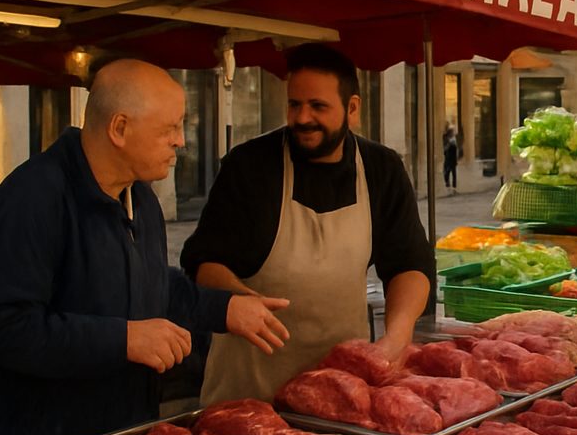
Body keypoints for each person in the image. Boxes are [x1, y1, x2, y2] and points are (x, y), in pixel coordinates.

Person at [0, 60, 291, 435]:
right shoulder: (31, 199)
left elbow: (152, 286)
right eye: (169, 128)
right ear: (119, 128)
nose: (181, 141)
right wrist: (124, 339)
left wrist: (227, 309)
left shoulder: (142, 199)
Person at [182, 44, 434, 404]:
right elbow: (203, 263)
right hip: (250, 395)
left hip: (340, 393)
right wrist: (245, 301)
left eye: (318, 106)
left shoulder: (381, 169)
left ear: (353, 109)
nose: (302, 118)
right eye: (294, 104)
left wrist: (396, 337)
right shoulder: (250, 165)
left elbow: (409, 263)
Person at [442, 125, 459, 193]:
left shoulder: (453, 140)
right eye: (452, 132)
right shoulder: (447, 140)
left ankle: (453, 188)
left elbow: (455, 151)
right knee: (447, 173)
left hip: (452, 160)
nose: (453, 133)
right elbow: (445, 149)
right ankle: (448, 187)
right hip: (448, 159)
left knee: (453, 174)